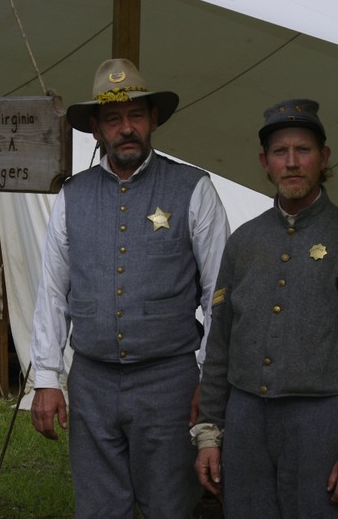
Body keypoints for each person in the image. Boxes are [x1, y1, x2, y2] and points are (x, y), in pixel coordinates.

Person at [29, 58, 231, 518]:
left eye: (135, 116)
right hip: (92, 381)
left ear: (153, 119)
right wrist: (46, 379)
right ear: (97, 129)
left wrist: (210, 378)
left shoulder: (193, 189)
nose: (127, 129)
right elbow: (52, 294)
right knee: (99, 507)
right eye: (114, 119)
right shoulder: (72, 196)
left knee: (169, 505)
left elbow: (220, 294)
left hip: (171, 382)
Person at [192, 99, 338, 518]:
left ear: (324, 158)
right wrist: (209, 432)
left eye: (304, 150)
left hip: (322, 425)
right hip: (245, 424)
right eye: (281, 152)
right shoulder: (244, 243)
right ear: (265, 162)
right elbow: (220, 341)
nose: (292, 162)